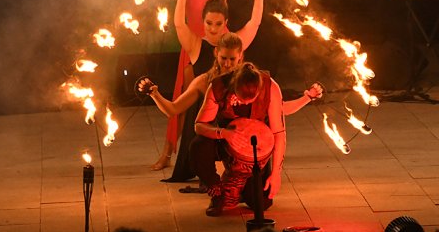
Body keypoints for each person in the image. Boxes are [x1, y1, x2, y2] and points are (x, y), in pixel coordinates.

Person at [117, 0, 307, 170]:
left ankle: (238, 150)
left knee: (232, 100)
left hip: (224, 48)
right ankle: (170, 153)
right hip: (195, 47)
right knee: (187, 104)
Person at [138, 32, 323, 186]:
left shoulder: (252, 81)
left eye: (232, 59)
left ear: (240, 56)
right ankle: (214, 185)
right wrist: (154, 94)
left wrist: (307, 97)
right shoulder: (205, 82)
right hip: (220, 141)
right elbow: (173, 109)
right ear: (216, 54)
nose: (227, 64)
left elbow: (281, 110)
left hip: (249, 146)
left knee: (260, 199)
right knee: (198, 145)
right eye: (223, 58)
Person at [191, 62, 287, 217]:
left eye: (252, 99)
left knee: (262, 203)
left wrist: (276, 173)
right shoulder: (219, 86)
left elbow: (279, 133)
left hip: (254, 150)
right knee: (198, 145)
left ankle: (239, 186)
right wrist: (224, 133)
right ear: (234, 87)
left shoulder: (271, 87)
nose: (248, 103)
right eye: (243, 99)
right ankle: (218, 191)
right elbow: (199, 125)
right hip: (224, 142)